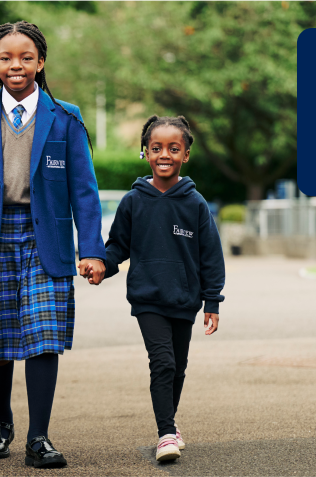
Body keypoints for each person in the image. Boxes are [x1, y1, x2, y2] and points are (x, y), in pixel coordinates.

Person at [0, 21, 106, 469]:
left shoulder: (65, 117)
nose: (17, 66)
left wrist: (91, 249)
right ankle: (0, 422)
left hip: (45, 240)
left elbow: (85, 191)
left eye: (26, 57)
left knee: (43, 336)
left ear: (41, 62)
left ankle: (39, 436)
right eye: (6, 58)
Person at [100, 115, 225, 462]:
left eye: (174, 148)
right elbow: (117, 248)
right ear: (145, 152)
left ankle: (169, 422)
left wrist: (213, 301)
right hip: (147, 298)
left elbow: (211, 256)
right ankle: (166, 434)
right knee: (164, 362)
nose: (164, 154)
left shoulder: (195, 203)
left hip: (185, 299)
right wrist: (101, 267)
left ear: (186, 154)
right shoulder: (133, 201)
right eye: (156, 148)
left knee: (178, 367)